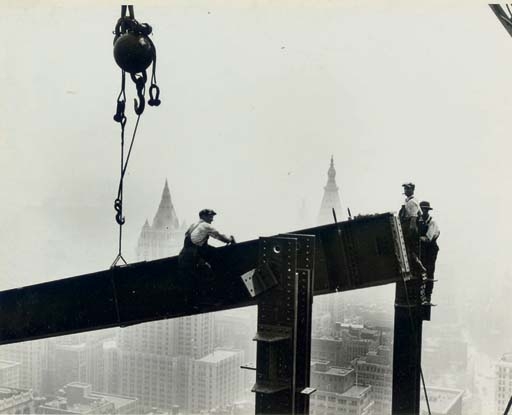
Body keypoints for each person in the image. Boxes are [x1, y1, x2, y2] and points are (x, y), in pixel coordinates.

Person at [178, 209, 235, 302]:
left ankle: (191, 300)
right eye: (210, 216)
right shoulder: (206, 226)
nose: (212, 219)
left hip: (184, 255)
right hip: (193, 256)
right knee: (206, 274)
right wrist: (230, 240)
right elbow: (219, 235)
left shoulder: (193, 225)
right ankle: (206, 299)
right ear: (203, 216)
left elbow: (195, 241)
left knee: (190, 280)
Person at [417, 201, 440, 306]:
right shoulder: (419, 220)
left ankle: (427, 297)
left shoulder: (432, 222)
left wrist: (416, 238)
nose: (422, 211)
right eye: (421, 209)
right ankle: (420, 296)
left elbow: (428, 238)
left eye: (424, 209)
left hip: (430, 249)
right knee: (420, 271)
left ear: (427, 210)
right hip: (422, 249)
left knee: (429, 272)